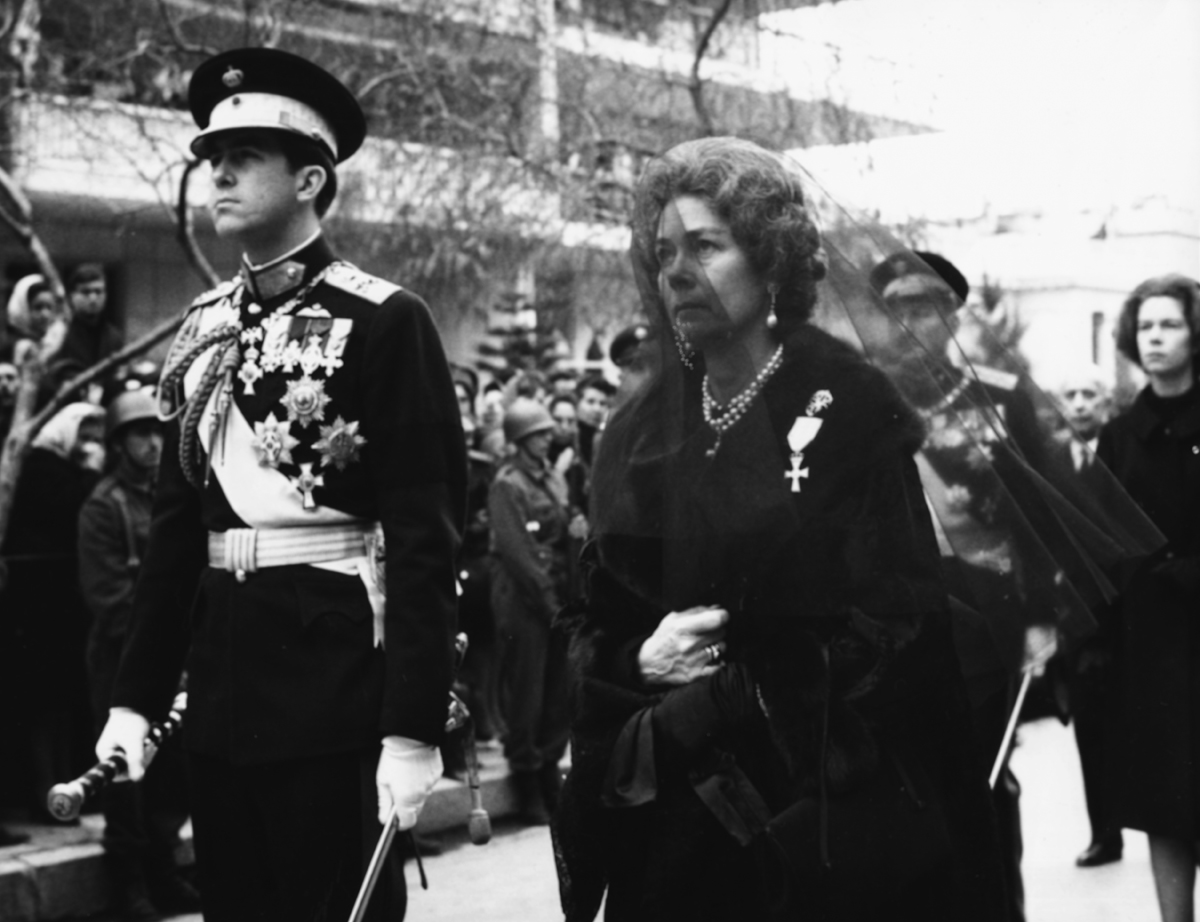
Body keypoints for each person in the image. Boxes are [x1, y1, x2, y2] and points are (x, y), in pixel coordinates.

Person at [553, 138, 1007, 921]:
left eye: (706, 245)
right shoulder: (638, 426)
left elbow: (899, 622)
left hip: (814, 805)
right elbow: (589, 616)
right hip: (673, 814)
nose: (678, 272)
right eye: (663, 253)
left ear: (769, 261)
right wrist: (639, 656)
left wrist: (737, 695)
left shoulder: (850, 404)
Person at [93, 48, 466, 922]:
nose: (218, 170)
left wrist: (411, 728)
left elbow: (424, 536)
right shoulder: (202, 329)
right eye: (213, 155)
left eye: (247, 155)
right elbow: (175, 536)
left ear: (309, 178)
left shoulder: (383, 319)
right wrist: (134, 700)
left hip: (334, 683)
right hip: (223, 682)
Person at [1098, 274, 1200, 922]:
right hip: (1151, 646)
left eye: (1169, 324)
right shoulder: (1118, 435)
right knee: (1165, 806)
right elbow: (1101, 540)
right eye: (1145, 327)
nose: (1155, 337)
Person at [79, 390, 197, 919]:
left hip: (170, 657)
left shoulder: (164, 497)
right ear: (118, 443)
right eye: (138, 435)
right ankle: (129, 885)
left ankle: (163, 873)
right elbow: (108, 596)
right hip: (121, 659)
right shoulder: (103, 506)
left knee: (172, 774)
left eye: (157, 433)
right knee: (125, 778)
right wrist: (155, 647)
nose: (152, 443)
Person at [0, 403, 104, 822]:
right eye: (85, 433)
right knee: (45, 704)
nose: (89, 444)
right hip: (37, 607)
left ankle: (64, 788)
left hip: (57, 606)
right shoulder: (43, 467)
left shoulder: (57, 467)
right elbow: (74, 510)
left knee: (60, 704)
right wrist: (91, 470)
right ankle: (47, 793)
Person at [1047, 365, 1124, 867]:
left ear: (1105, 403)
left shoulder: (1122, 454)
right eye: (1070, 395)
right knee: (1091, 733)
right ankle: (1106, 834)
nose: (1078, 403)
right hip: (1078, 619)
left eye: (1088, 395)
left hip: (1129, 614)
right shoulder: (1049, 461)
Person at [489, 398, 571, 825]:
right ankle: (525, 777)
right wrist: (550, 601)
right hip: (523, 599)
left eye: (546, 432)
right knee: (528, 692)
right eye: (537, 434)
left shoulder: (552, 480)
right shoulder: (508, 485)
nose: (546, 438)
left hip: (553, 595)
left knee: (558, 691)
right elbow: (518, 554)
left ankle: (546, 769)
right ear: (519, 439)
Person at [49, 263, 124, 400]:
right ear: (72, 296)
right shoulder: (59, 334)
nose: (93, 298)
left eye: (98, 291)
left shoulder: (114, 337)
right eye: (86, 292)